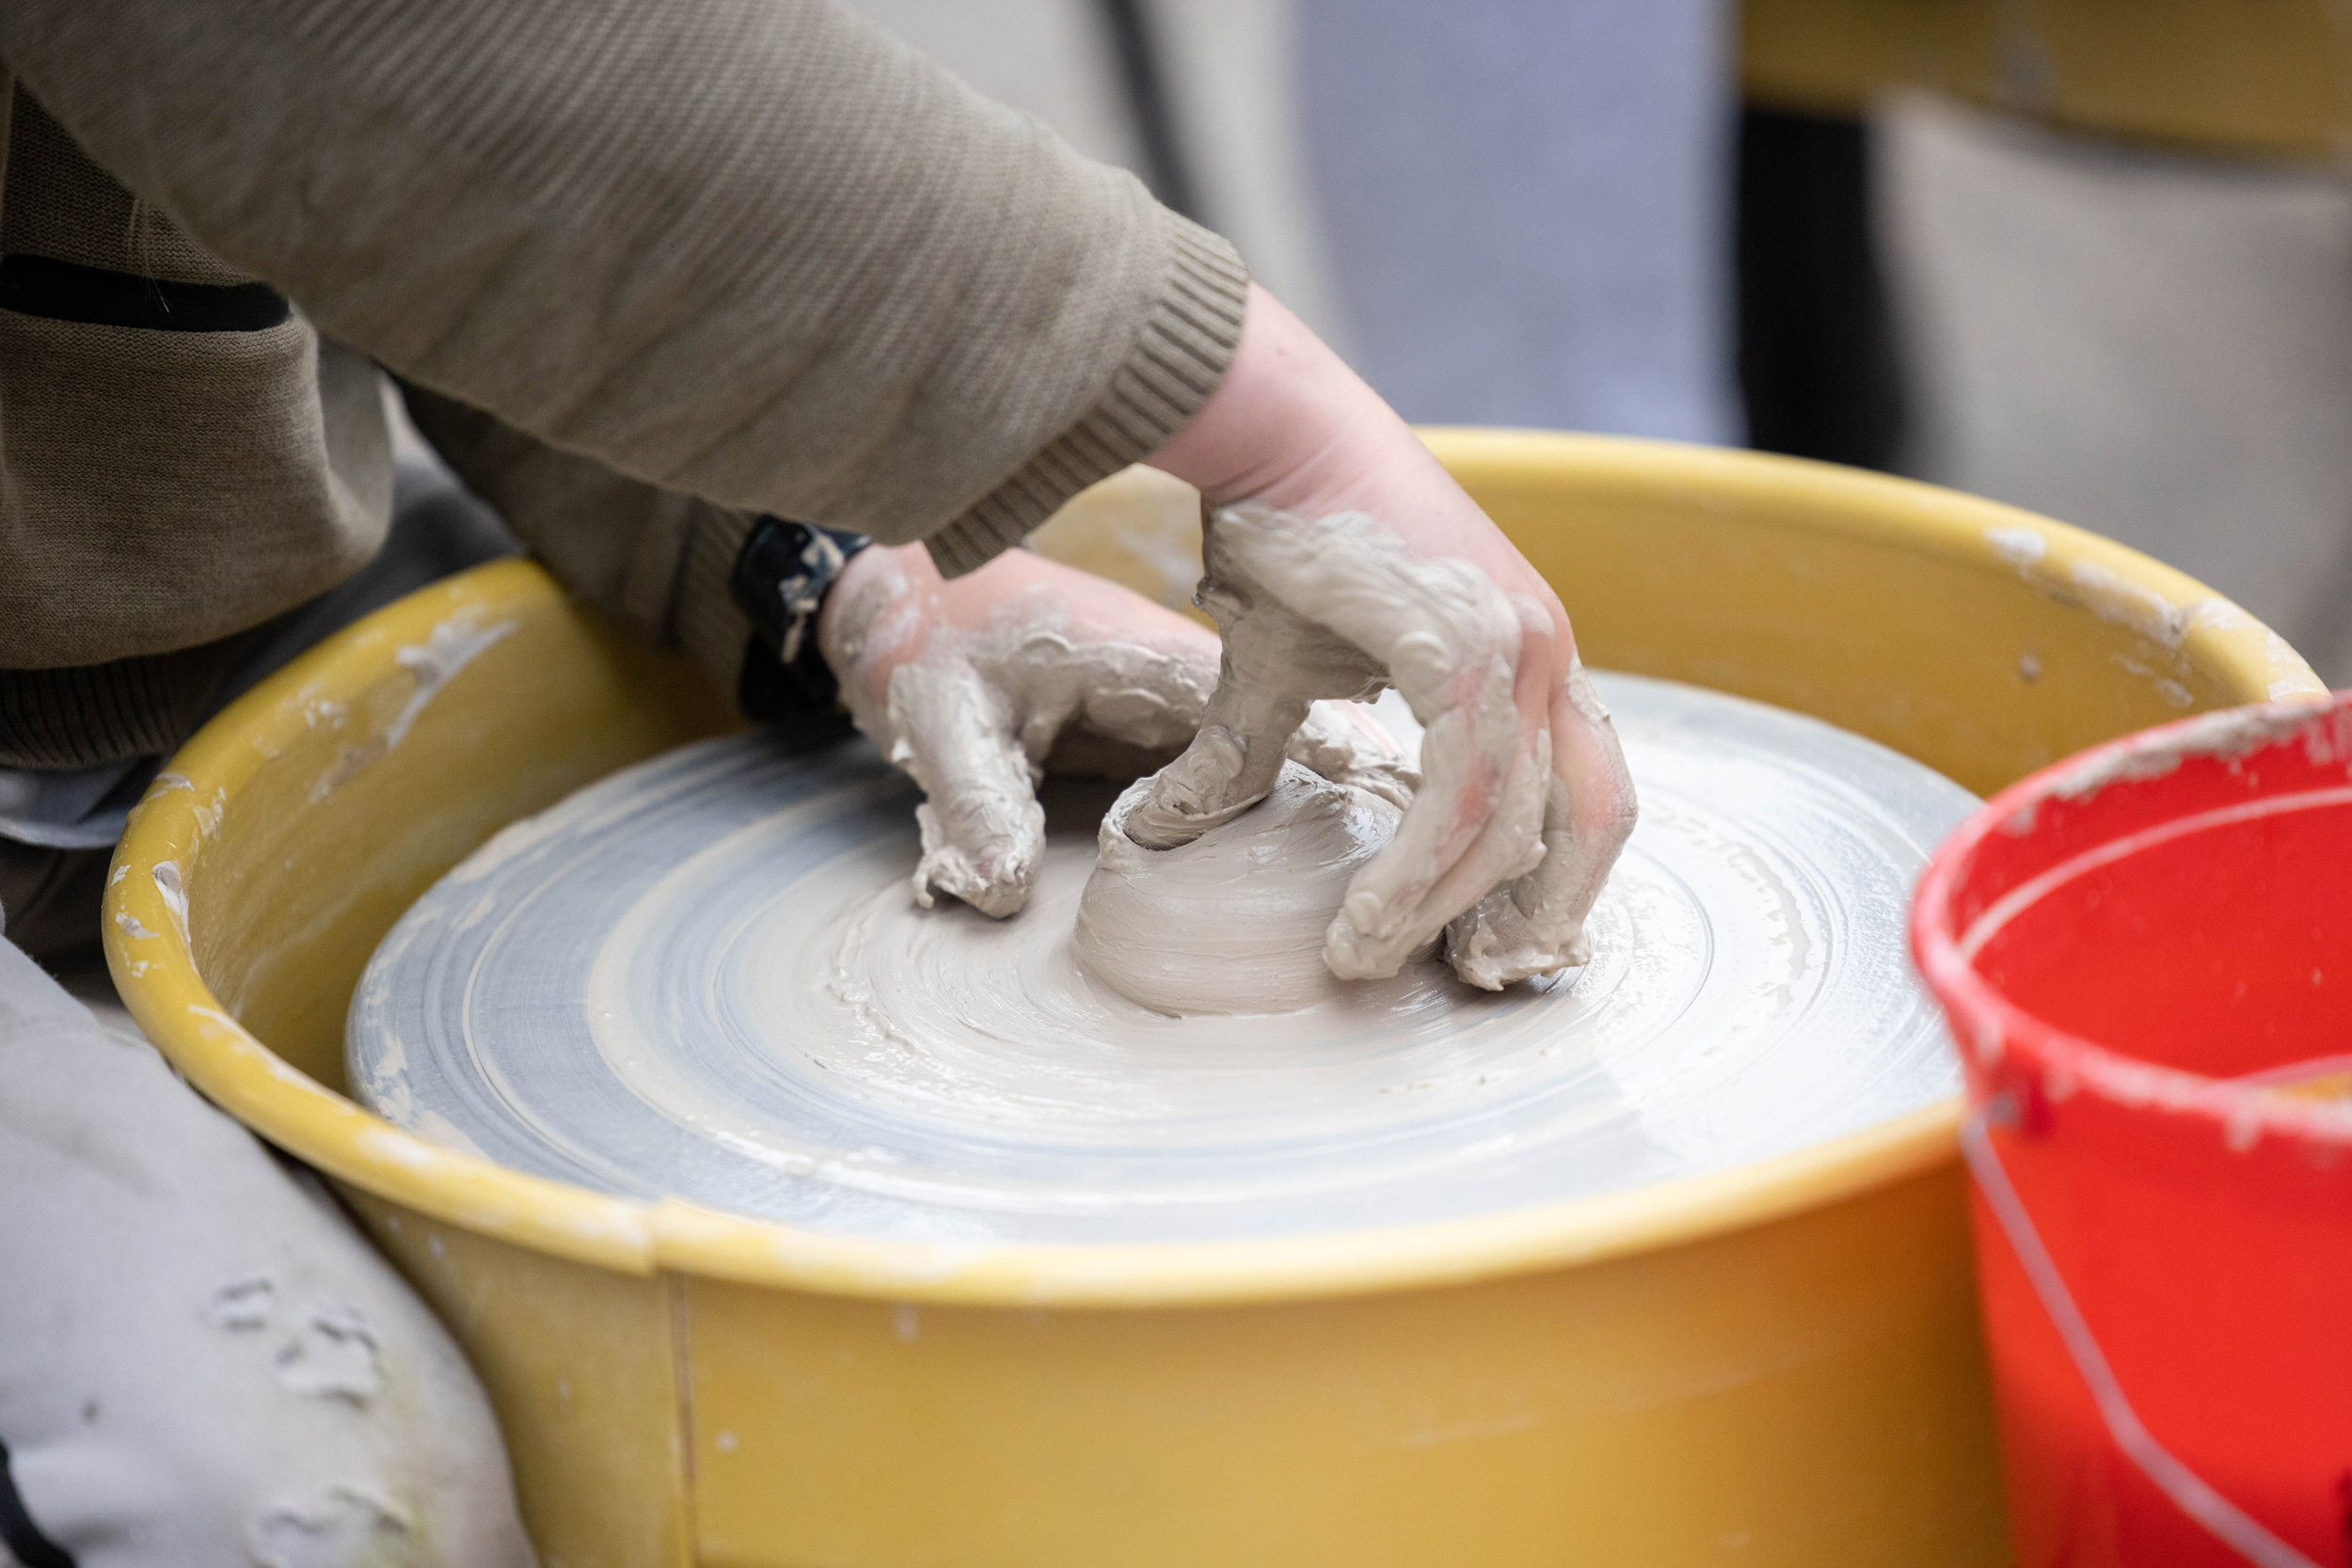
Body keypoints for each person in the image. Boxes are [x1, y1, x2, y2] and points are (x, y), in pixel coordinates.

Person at [0, 1, 1635, 1560]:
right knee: (295, 1500)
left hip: (165, 590)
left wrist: (835, 567)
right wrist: (1270, 424)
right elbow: (411, 67)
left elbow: (398, 208)